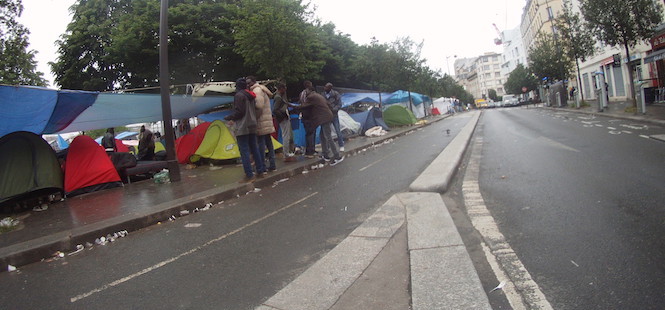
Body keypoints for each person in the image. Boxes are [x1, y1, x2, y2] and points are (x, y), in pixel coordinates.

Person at [224, 77, 265, 183]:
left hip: (243, 126)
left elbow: (240, 112)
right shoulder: (251, 95)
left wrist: (229, 117)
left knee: (244, 151)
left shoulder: (239, 96)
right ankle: (260, 171)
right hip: (252, 124)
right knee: (254, 148)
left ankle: (249, 175)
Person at [296, 84, 344, 165]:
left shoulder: (311, 97)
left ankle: (337, 156)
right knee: (322, 136)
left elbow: (303, 106)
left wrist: (292, 107)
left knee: (328, 137)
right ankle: (325, 154)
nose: (305, 92)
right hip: (327, 116)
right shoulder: (319, 95)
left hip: (324, 118)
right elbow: (328, 104)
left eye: (306, 91)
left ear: (309, 90)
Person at [247, 76, 276, 173]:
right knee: (269, 144)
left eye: (249, 83)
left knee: (261, 145)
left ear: (253, 82)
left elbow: (259, 106)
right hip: (267, 120)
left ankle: (262, 166)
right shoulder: (262, 89)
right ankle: (272, 164)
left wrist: (254, 117)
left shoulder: (257, 91)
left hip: (261, 121)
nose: (248, 85)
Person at [273, 83, 294, 161]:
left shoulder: (279, 97)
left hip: (283, 118)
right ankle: (286, 153)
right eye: (284, 88)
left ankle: (286, 152)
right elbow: (275, 109)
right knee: (286, 136)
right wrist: (283, 116)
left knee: (286, 135)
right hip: (283, 119)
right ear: (281, 89)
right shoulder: (278, 98)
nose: (285, 90)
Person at [322, 83, 345, 152]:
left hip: (334, 115)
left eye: (326, 87)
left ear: (330, 88)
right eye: (325, 86)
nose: (325, 88)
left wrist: (333, 109)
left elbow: (339, 104)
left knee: (338, 131)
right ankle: (328, 147)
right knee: (327, 133)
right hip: (326, 115)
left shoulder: (335, 94)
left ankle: (341, 145)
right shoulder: (322, 95)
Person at [298, 81, 317, 158]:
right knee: (311, 133)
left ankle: (309, 150)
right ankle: (311, 151)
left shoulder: (301, 94)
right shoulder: (310, 94)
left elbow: (300, 103)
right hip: (310, 116)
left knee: (308, 133)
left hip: (304, 115)